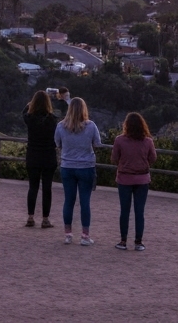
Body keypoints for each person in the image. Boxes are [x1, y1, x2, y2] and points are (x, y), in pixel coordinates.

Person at [55, 97, 103, 246]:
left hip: (67, 166)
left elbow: (57, 143)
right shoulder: (91, 126)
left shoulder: (61, 126)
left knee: (68, 201)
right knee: (85, 202)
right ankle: (85, 236)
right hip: (86, 167)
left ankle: (68, 235)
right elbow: (97, 143)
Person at [111, 111, 157, 251]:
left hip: (125, 178)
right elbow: (153, 158)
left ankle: (123, 241)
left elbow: (114, 158)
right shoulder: (148, 141)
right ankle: (138, 242)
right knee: (139, 212)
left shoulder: (119, 140)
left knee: (124, 211)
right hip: (142, 179)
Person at [23, 91, 59, 228]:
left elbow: (23, 113)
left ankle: (30, 217)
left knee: (33, 187)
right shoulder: (52, 120)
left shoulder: (29, 118)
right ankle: (45, 219)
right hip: (48, 156)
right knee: (47, 188)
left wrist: (29, 105)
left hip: (32, 155)